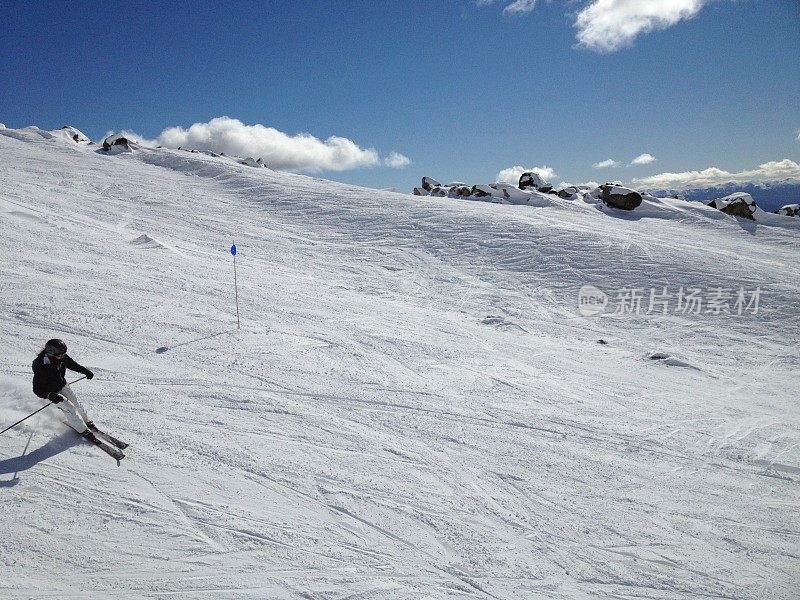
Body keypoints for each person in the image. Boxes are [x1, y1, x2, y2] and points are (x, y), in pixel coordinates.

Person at [32, 338, 97, 437]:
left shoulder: (61, 357)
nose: (63, 356)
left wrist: (85, 371)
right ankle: (83, 430)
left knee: (76, 404)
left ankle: (87, 422)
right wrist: (50, 395)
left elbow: (72, 364)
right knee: (70, 409)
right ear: (51, 353)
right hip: (53, 393)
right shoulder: (41, 365)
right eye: (60, 355)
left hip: (62, 385)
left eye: (64, 354)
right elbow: (37, 389)